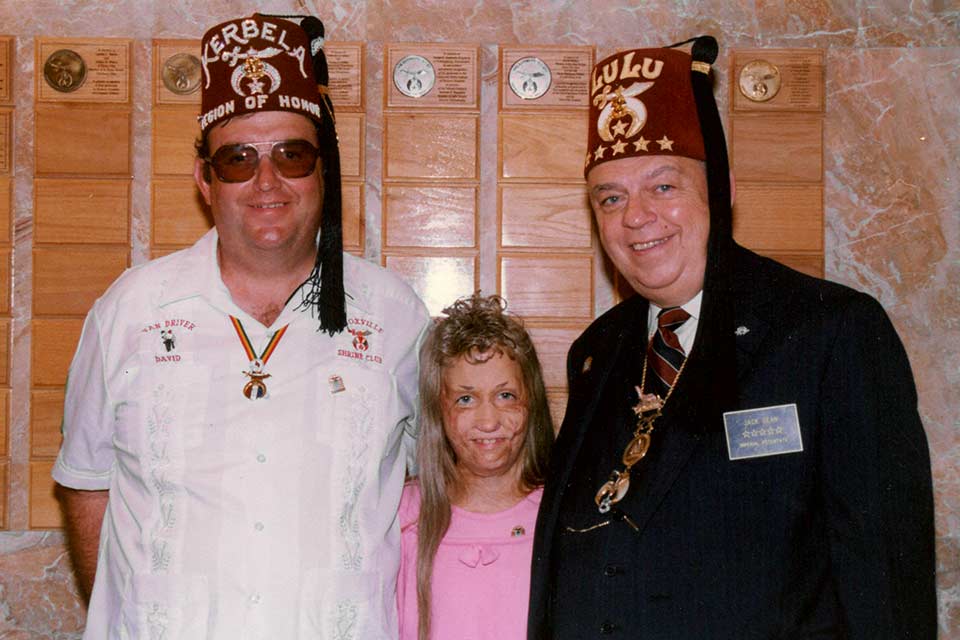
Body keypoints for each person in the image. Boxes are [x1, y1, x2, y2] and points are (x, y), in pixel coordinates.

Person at [528, 36, 936, 639]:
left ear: (722, 191)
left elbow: (886, 580)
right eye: (610, 197)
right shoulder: (598, 351)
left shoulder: (830, 332)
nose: (635, 216)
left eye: (663, 186)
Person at [52, 14, 430, 638]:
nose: (267, 181)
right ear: (204, 179)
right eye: (238, 159)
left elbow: (429, 487)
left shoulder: (392, 315)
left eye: (293, 154)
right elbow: (89, 485)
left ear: (323, 171)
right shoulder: (132, 311)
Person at [397, 294, 554, 640]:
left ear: (532, 402)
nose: (488, 421)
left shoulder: (559, 516)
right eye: (465, 399)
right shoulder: (405, 516)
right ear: (439, 410)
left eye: (506, 395)